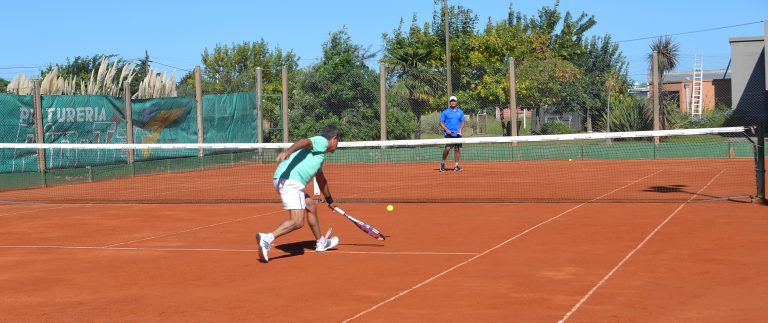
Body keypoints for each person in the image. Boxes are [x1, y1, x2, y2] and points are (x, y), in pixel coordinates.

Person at [256, 125, 343, 263]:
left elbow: (321, 180)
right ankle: (267, 238)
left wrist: (330, 200)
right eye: (338, 141)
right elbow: (305, 141)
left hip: (287, 181)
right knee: (297, 221)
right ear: (334, 138)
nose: (338, 145)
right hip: (291, 182)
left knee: (311, 205)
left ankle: (321, 242)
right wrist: (288, 152)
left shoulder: (319, 155)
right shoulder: (322, 141)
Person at [439, 95, 466, 172]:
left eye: (454, 101)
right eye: (451, 101)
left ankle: (456, 166)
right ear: (450, 102)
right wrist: (446, 130)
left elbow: (463, 122)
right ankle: (442, 163)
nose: (453, 102)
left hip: (457, 134)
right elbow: (441, 123)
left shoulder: (460, 112)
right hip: (448, 134)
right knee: (447, 148)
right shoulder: (445, 112)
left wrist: (460, 129)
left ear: (456, 102)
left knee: (457, 149)